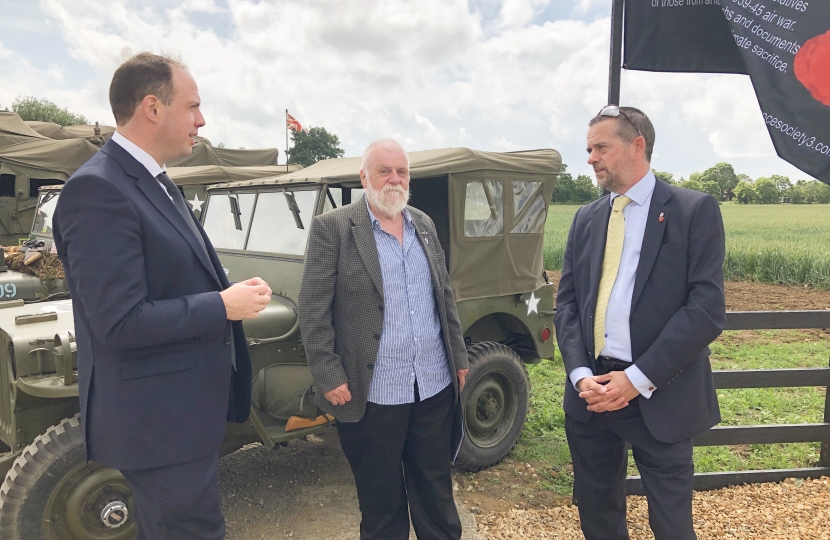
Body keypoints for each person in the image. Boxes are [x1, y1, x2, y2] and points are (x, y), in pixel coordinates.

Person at [53, 52, 271, 540]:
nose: (202, 119)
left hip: (178, 417)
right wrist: (222, 305)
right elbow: (120, 322)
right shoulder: (99, 189)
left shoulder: (152, 181)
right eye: (192, 106)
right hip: (158, 425)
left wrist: (227, 292)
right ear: (153, 108)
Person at [554, 106, 726, 540]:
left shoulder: (693, 210)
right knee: (597, 515)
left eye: (601, 147)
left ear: (637, 145)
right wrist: (579, 375)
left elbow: (706, 309)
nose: (591, 157)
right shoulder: (586, 219)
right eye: (588, 149)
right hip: (591, 396)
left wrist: (636, 378)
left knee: (671, 524)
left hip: (660, 394)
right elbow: (568, 305)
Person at [298, 139, 469, 540]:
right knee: (381, 503)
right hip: (371, 392)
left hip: (432, 387)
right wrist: (328, 373)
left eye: (402, 171)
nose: (394, 179)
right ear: (364, 177)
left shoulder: (423, 225)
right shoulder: (334, 229)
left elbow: (444, 296)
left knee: (436, 495)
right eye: (384, 171)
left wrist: (459, 357)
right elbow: (313, 309)